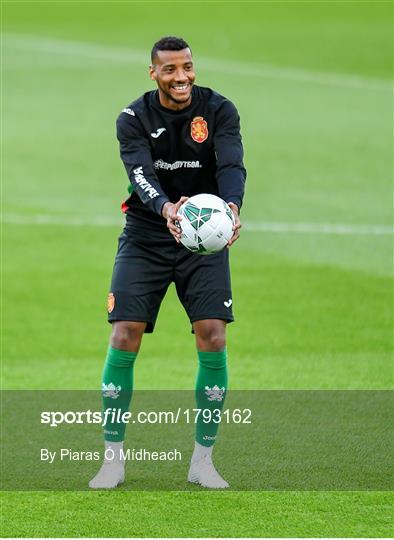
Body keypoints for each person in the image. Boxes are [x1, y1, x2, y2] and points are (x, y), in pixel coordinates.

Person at [89, 36, 246, 490]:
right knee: (124, 332)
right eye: (171, 70)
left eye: (187, 67)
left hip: (203, 241)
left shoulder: (220, 110)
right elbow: (140, 173)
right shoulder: (133, 119)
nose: (182, 77)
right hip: (147, 235)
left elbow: (233, 164)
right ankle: (113, 459)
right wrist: (166, 209)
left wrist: (232, 206)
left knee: (213, 335)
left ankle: (203, 460)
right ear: (153, 73)